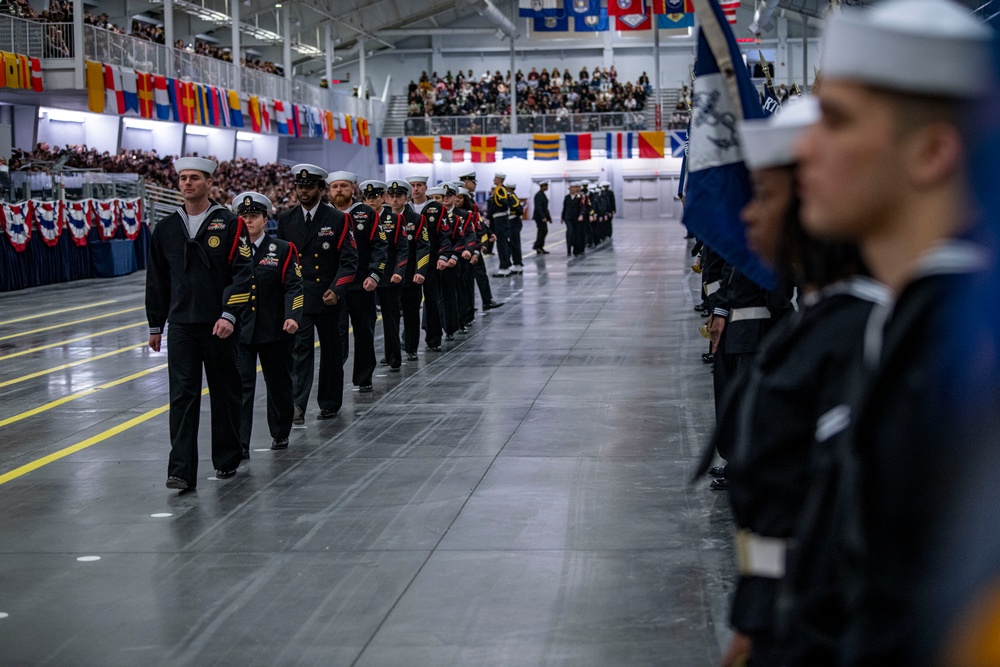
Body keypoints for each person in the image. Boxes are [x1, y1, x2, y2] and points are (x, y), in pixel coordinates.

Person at [789, 1, 993, 664]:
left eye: (838, 120)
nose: (804, 149)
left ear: (933, 150)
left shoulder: (967, 350)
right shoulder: (904, 318)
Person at [712, 99, 891, 667]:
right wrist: (754, 619)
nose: (746, 217)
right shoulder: (809, 328)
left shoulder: (866, 335)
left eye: (765, 196)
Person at [145, 157, 254, 490]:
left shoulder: (231, 223)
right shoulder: (165, 228)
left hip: (218, 324)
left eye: (194, 178)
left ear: (209, 183)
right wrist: (155, 324)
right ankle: (180, 470)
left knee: (225, 392)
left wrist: (229, 314)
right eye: (182, 178)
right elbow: (157, 279)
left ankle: (226, 459)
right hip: (181, 325)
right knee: (182, 397)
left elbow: (243, 273)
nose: (187, 183)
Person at [277, 164, 358, 424]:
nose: (303, 191)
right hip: (300, 298)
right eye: (300, 186)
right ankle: (297, 405)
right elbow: (282, 260)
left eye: (309, 186)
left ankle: (330, 402)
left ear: (320, 189)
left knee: (332, 353)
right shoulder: (287, 220)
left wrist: (337, 289)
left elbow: (349, 261)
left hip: (329, 297)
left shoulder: (338, 219)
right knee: (299, 353)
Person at [233, 192, 303, 457]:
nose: (248, 221)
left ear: (265, 219)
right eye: (244, 216)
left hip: (275, 330)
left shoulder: (282, 249)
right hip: (241, 330)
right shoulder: (233, 250)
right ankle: (240, 443)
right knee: (241, 386)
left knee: (279, 384)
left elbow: (294, 286)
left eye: (253, 216)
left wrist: (292, 316)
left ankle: (280, 430)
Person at [327, 171, 387, 393]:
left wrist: (374, 275)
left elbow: (380, 247)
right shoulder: (324, 215)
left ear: (353, 188)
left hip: (362, 285)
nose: (339, 190)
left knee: (364, 332)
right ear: (329, 190)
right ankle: (334, 382)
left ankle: (364, 377)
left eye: (343, 186)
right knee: (336, 336)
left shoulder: (366, 213)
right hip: (333, 288)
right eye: (335, 186)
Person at [388, 179, 431, 362]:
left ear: (406, 198)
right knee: (391, 317)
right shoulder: (384, 219)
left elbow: (423, 246)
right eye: (392, 196)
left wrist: (420, 270)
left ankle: (412, 348)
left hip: (411, 274)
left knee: (411, 313)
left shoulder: (416, 219)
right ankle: (392, 352)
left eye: (399, 196)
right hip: (389, 276)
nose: (395, 200)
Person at [368, 179, 409, 371]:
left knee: (390, 319)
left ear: (382, 198)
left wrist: (399, 271)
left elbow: (402, 249)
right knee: (365, 322)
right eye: (367, 197)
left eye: (374, 197)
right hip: (365, 278)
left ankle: (393, 357)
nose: (370, 201)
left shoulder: (394, 219)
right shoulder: (359, 220)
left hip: (389, 277)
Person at [504, 180, 524, 273]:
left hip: (513, 221)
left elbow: (518, 209)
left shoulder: (511, 197)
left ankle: (517, 264)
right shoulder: (512, 196)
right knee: (512, 243)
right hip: (512, 221)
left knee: (514, 243)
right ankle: (516, 263)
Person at [533, 181, 551, 253]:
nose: (547, 187)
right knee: (542, 231)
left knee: (543, 231)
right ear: (542, 186)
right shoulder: (539, 195)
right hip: (539, 217)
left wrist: (548, 217)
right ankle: (537, 246)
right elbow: (538, 207)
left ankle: (539, 247)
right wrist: (542, 217)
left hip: (542, 216)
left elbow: (545, 208)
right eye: (546, 186)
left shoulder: (542, 194)